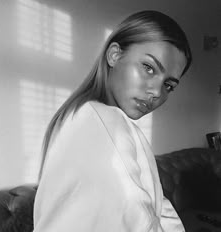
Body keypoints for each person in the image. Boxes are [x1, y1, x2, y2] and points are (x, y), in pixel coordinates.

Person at [33, 10, 192, 232]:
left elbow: (156, 207)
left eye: (169, 85)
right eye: (148, 68)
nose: (157, 92)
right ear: (114, 55)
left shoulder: (79, 115)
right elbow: (138, 220)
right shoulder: (103, 121)